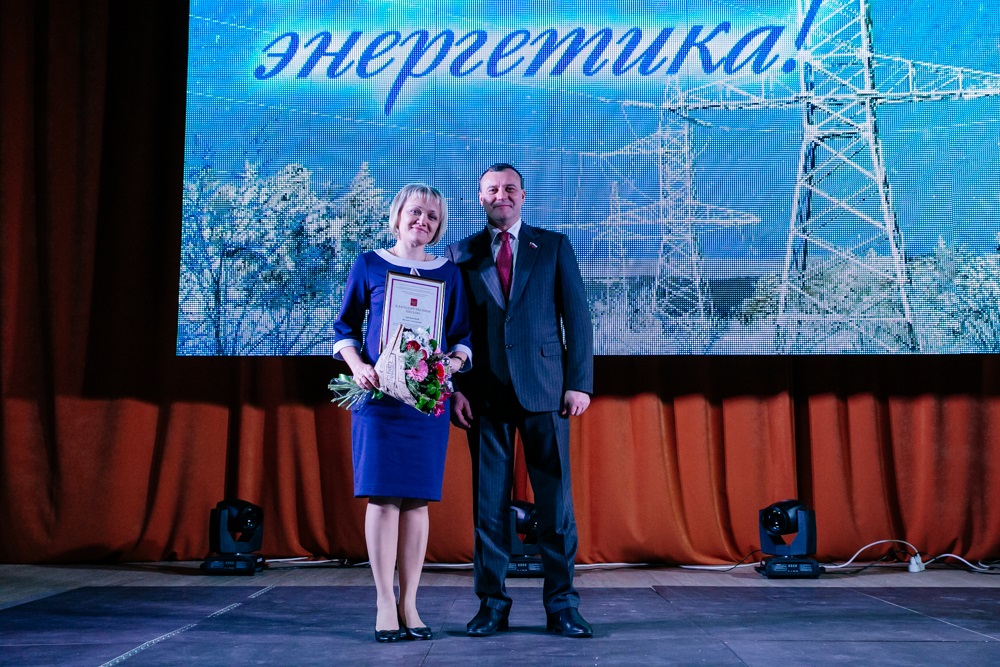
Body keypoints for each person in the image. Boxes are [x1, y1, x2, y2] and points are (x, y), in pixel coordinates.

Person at [446, 163, 595, 638]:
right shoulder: (460, 253)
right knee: (489, 508)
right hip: (483, 395)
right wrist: (456, 389)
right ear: (480, 198)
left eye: (509, 188)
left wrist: (579, 383)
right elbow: (452, 330)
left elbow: (578, 318)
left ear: (523, 196)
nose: (501, 195)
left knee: (556, 507)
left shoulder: (552, 246)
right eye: (492, 189)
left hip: (546, 391)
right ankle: (492, 605)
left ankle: (562, 606)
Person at [333, 183, 472, 643]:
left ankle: (410, 603)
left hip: (425, 404)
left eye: (432, 216)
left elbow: (461, 336)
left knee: (416, 501)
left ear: (439, 226)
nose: (423, 221)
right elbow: (345, 328)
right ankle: (382, 601)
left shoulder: (448, 273)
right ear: (397, 217)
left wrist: (452, 364)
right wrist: (359, 367)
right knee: (383, 499)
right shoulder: (369, 264)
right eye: (415, 212)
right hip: (378, 402)